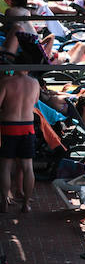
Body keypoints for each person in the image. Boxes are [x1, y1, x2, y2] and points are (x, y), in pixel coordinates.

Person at [0, 68, 40, 213]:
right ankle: (26, 203)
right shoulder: (35, 83)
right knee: (28, 167)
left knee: (5, 165)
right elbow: (35, 101)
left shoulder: (6, 82)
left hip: (9, 126)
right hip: (27, 127)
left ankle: (4, 200)